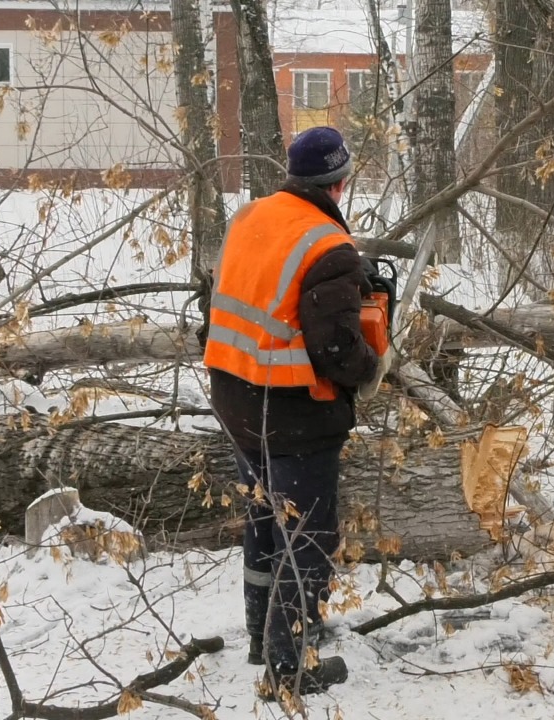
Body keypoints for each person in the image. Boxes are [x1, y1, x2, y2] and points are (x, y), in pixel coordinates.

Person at [203, 126, 384, 700]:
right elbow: (334, 348)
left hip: (235, 396)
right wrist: (371, 365)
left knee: (264, 515)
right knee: (305, 538)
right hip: (294, 412)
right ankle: (289, 666)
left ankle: (261, 631)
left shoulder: (251, 216)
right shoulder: (328, 247)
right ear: (341, 182)